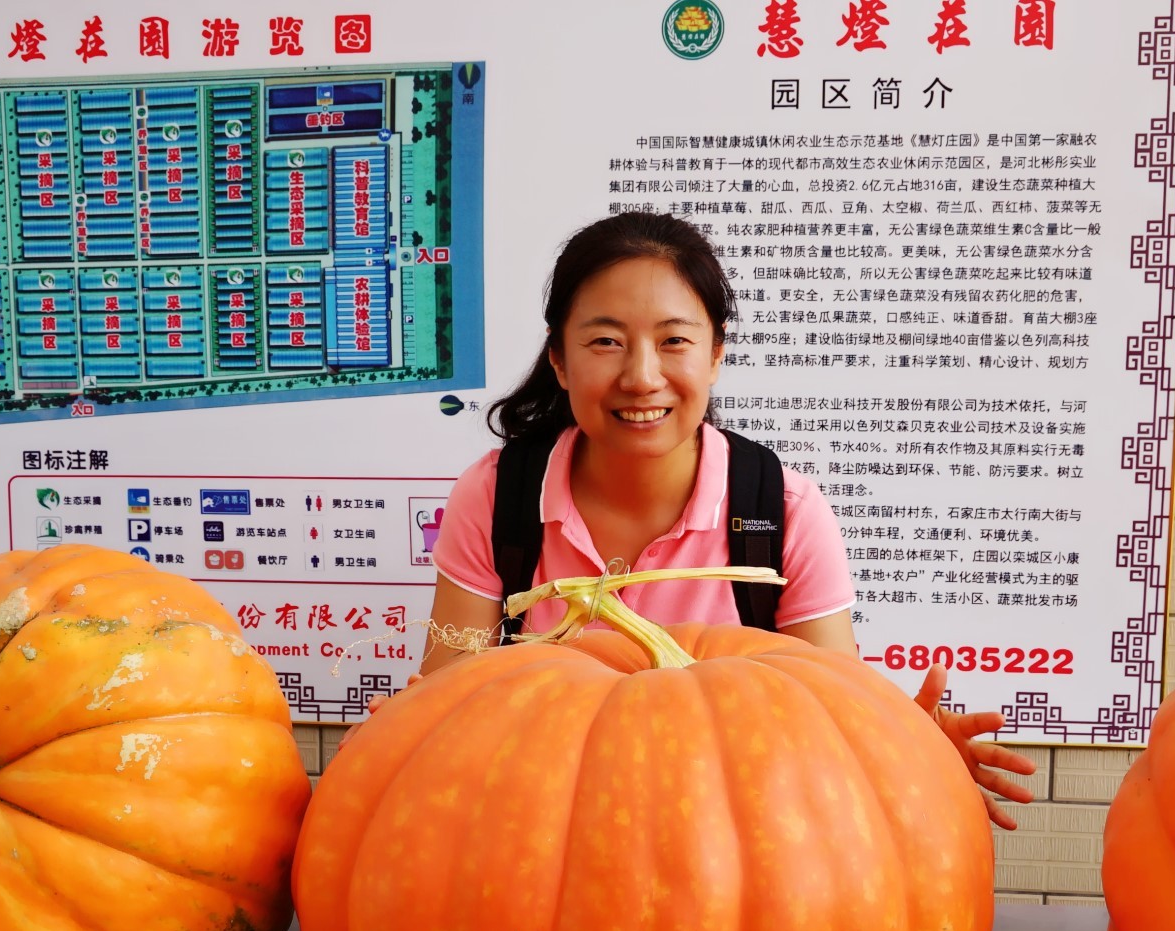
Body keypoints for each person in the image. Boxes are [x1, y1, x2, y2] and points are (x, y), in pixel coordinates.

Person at [406, 211, 1035, 828]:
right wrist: (398, 747)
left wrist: (906, 751)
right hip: (537, 836)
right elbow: (453, 705)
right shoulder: (497, 498)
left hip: (731, 841)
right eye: (606, 342)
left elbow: (831, 722)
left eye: (674, 341)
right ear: (560, 361)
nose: (641, 376)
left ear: (715, 355)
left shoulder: (781, 514)